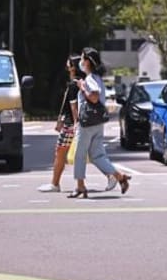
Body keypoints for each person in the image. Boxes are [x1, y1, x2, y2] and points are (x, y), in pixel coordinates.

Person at [69, 48, 131, 198]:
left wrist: (82, 87)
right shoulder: (96, 77)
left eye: (83, 59)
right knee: (96, 155)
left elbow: (94, 97)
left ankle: (80, 186)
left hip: (88, 122)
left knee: (80, 154)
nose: (81, 62)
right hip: (97, 122)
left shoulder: (90, 79)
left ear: (88, 62)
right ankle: (120, 177)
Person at [38, 55, 85, 193]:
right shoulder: (81, 82)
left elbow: (73, 106)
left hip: (71, 124)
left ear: (73, 67)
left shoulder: (73, 84)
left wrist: (75, 123)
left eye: (69, 64)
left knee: (60, 152)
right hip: (75, 123)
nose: (66, 67)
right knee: (93, 155)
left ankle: (55, 183)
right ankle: (115, 176)